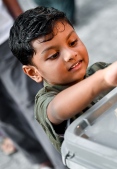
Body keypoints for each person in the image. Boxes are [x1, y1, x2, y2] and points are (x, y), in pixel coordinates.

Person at [9, 6, 117, 153]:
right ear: (33, 72)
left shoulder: (99, 70)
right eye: (53, 55)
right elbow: (56, 110)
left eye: (73, 42)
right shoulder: (46, 101)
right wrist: (102, 80)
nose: (70, 54)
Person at [0, 0, 67, 168]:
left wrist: (21, 28)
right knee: (4, 115)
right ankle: (43, 161)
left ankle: (64, 161)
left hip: (4, 38)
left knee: (35, 104)